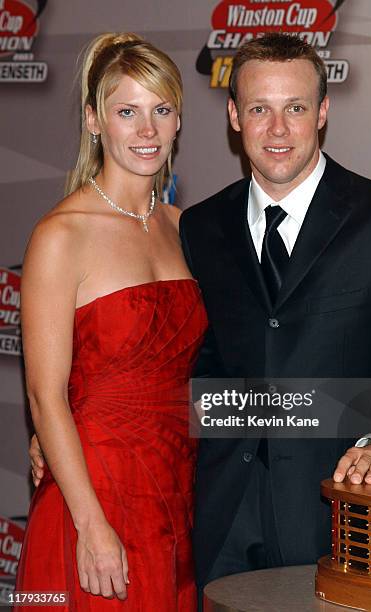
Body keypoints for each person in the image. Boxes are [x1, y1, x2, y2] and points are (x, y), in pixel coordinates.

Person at [178, 33, 371, 599]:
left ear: (322, 111)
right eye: (259, 109)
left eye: (294, 107)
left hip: (339, 514)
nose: (277, 130)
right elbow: (196, 362)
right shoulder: (200, 227)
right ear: (232, 115)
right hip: (225, 511)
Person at [17, 33, 206, 611]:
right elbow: (46, 397)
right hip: (96, 497)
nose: (146, 131)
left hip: (178, 489)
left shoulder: (185, 227)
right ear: (95, 120)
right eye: (128, 111)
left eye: (161, 110)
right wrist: (91, 526)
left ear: (178, 121)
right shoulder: (60, 236)